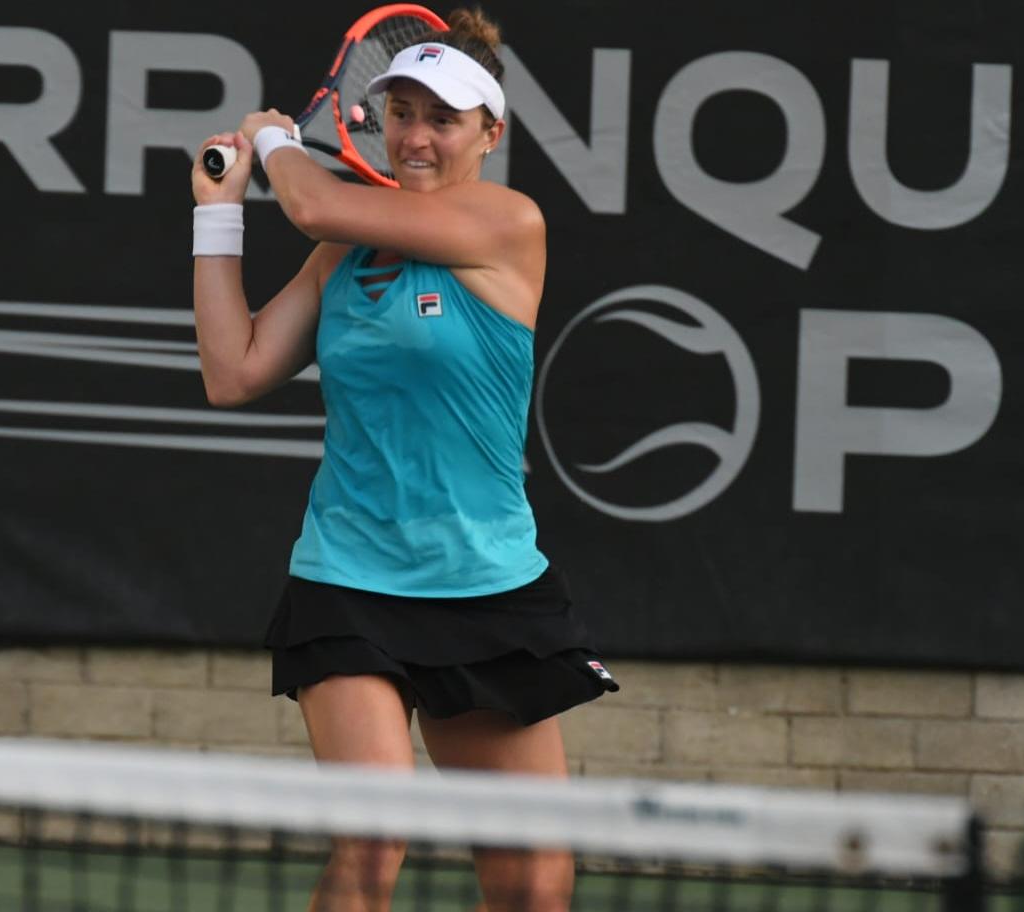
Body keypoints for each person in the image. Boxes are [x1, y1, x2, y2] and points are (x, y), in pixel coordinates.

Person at [189, 9, 618, 911]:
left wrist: (272, 140)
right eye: (401, 112)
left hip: (488, 584)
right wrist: (217, 224)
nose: (416, 137)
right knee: (376, 838)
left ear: (489, 135)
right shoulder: (340, 249)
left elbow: (307, 197)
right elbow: (233, 374)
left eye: (443, 119)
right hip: (348, 577)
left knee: (534, 881)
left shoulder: (507, 222)